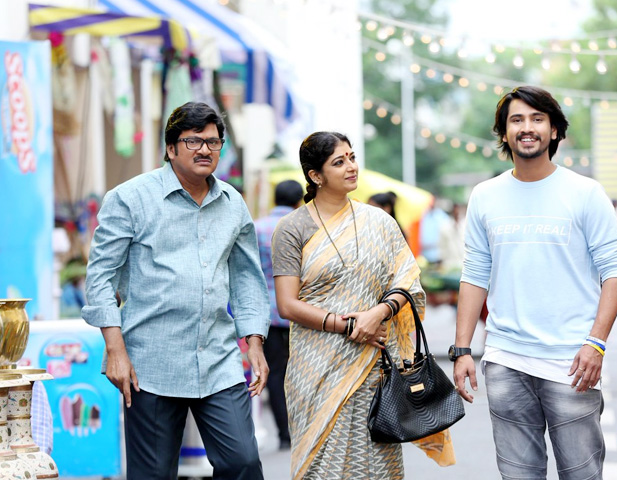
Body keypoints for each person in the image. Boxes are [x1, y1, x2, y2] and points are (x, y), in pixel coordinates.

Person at [82, 102, 269, 480]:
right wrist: (115, 350)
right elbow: (100, 277)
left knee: (243, 461)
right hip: (150, 363)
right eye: (193, 141)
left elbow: (247, 278)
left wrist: (255, 342)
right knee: (153, 474)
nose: (205, 150)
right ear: (170, 148)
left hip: (218, 358)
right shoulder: (129, 198)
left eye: (213, 142)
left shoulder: (232, 203)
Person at [452, 86, 617, 479]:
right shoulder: (485, 195)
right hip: (506, 359)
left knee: (581, 475)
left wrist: (596, 343)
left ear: (554, 130)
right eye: (516, 120)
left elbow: (615, 271)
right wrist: (462, 349)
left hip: (572, 362)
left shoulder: (585, 193)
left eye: (537, 119)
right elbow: (475, 273)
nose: (526, 127)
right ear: (504, 132)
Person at [272, 131, 455, 479]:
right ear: (315, 175)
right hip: (316, 367)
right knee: (322, 465)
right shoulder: (292, 228)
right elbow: (287, 304)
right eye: (339, 162)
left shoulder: (379, 222)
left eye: (352, 157)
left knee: (376, 463)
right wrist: (350, 325)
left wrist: (379, 313)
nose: (351, 167)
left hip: (375, 364)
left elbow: (408, 281)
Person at [253, 179, 304, 451]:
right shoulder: (304, 226)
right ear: (298, 201)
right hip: (300, 312)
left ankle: (284, 435)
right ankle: (303, 429)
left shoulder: (257, 227)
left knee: (274, 373)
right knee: (303, 370)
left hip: (267, 313)